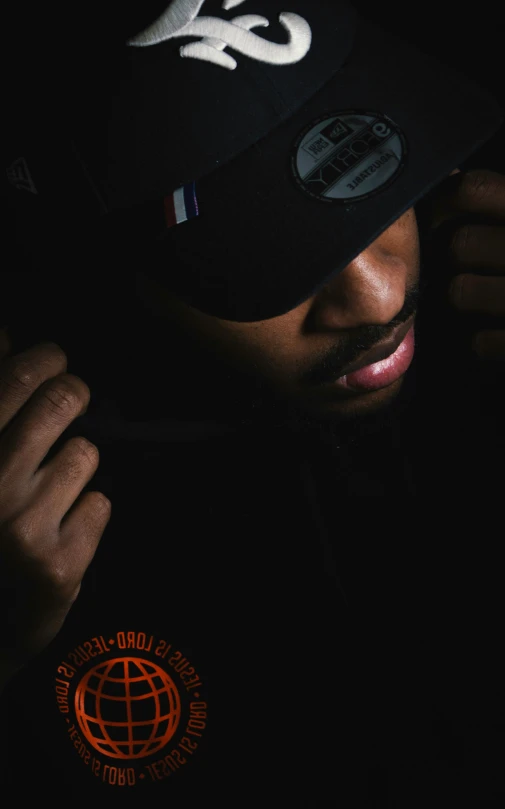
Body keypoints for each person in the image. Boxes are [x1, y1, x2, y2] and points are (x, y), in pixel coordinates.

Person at [1, 1, 504, 805]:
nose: (376, 298)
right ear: (98, 284)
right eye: (262, 245)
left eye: (361, 159)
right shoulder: (41, 569)